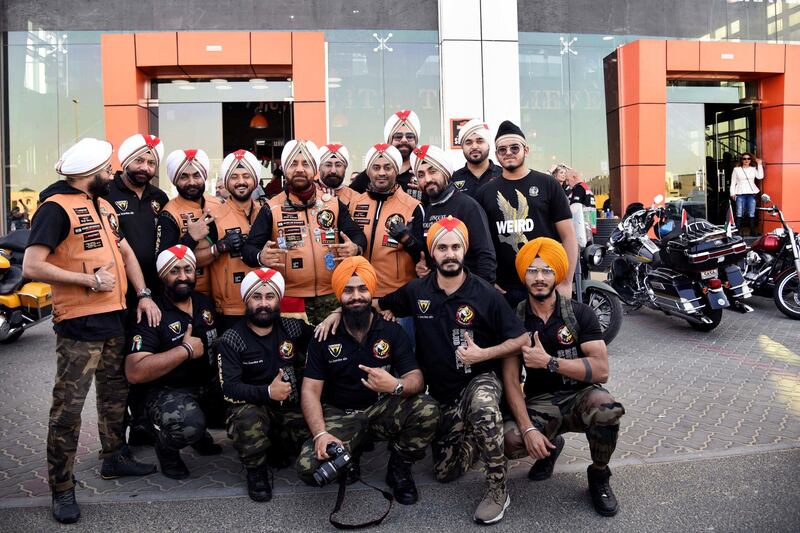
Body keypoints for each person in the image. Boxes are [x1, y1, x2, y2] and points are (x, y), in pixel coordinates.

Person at [22, 138, 160, 524]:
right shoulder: (55, 208)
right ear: (89, 174)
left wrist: (144, 293)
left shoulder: (101, 205)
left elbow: (126, 252)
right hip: (80, 324)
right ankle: (61, 488)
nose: (111, 175)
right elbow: (32, 265)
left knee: (115, 395)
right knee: (68, 410)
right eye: (105, 171)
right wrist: (85, 280)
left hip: (115, 317)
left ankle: (114, 457)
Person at [374, 217, 528, 524]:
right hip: (443, 395)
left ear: (464, 249)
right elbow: (379, 303)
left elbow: (521, 338)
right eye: (442, 247)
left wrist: (485, 353)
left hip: (479, 380)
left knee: (484, 408)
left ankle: (498, 488)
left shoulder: (485, 293)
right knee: (445, 473)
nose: (449, 253)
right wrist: (339, 312)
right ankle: (478, 438)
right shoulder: (417, 290)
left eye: (455, 246)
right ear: (433, 253)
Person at [298, 257, 438, 505]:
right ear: (339, 295)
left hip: (381, 409)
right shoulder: (323, 335)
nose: (356, 296)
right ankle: (352, 454)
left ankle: (399, 469)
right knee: (310, 469)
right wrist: (320, 434)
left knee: (426, 409)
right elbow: (310, 391)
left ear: (371, 291)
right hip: (341, 414)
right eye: (348, 290)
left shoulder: (391, 330)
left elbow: (415, 378)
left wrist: (394, 385)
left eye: (362, 289)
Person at [502, 238, 625, 517]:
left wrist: (550, 362)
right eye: (532, 271)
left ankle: (599, 475)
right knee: (510, 440)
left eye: (547, 270)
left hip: (581, 396)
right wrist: (529, 429)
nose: (540, 278)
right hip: (540, 401)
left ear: (557, 273)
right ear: (524, 275)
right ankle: (550, 445)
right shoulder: (515, 319)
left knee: (607, 409)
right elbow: (510, 381)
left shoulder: (580, 313)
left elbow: (602, 370)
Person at [241, 140, 367, 324]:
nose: (299, 169)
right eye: (293, 163)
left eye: (305, 163)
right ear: (284, 169)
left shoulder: (332, 204)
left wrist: (355, 248)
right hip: (291, 301)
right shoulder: (271, 207)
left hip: (331, 297)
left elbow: (358, 236)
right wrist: (261, 257)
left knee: (334, 350)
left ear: (315, 168)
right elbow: (248, 249)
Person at [125, 245, 223, 480]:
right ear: (162, 275)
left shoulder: (204, 303)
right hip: (165, 392)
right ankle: (166, 448)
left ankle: (199, 434)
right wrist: (185, 351)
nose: (182, 277)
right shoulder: (151, 312)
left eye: (188, 270)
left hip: (204, 386)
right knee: (187, 423)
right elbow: (134, 372)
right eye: (174, 271)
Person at [217, 267, 314, 502]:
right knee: (246, 419)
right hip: (254, 408)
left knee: (318, 421)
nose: (263, 304)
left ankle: (277, 447)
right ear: (246, 300)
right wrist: (268, 391)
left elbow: (324, 336)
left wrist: (335, 316)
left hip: (288, 409)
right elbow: (229, 388)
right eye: (256, 297)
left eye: (269, 297)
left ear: (277, 300)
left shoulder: (292, 328)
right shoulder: (231, 339)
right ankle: (256, 471)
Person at [104, 133, 170, 447]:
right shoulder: (104, 192)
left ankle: (143, 425)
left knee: (145, 359)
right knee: (115, 371)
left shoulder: (160, 197)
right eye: (139, 160)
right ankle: (115, 442)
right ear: (125, 161)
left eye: (150, 161)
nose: (144, 166)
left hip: (152, 296)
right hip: (115, 297)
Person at [475, 120, 578, 307]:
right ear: (496, 155)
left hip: (546, 284)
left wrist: (565, 282)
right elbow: (478, 242)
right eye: (502, 149)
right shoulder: (485, 193)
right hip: (503, 289)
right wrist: (488, 281)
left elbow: (569, 237)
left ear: (526, 150)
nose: (508, 153)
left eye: (514, 148)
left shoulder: (548, 184)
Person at [411, 144, 497, 285]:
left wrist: (482, 293)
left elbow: (486, 255)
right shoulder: (426, 209)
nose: (427, 179)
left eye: (432, 171)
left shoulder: (467, 206)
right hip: (439, 291)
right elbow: (429, 256)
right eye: (421, 175)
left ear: (445, 172)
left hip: (468, 291)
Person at [349, 143, 425, 297]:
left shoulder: (413, 206)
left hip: (398, 296)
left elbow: (424, 257)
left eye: (387, 167)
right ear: (368, 172)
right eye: (376, 167)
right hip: (360, 294)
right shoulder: (354, 204)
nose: (381, 173)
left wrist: (408, 240)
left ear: (396, 170)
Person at [207, 150, 262, 332]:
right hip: (229, 310)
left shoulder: (267, 212)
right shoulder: (213, 216)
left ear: (255, 180)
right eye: (234, 177)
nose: (240, 182)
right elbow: (196, 259)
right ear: (226, 181)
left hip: (264, 303)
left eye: (246, 176)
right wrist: (219, 247)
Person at [156, 149, 223, 295]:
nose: (191, 182)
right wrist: (190, 238)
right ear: (175, 180)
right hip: (191, 295)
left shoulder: (217, 204)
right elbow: (163, 264)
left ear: (204, 177)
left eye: (196, 175)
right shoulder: (169, 213)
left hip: (223, 293)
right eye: (184, 177)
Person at [349, 110, 422, 199]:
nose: (404, 140)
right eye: (398, 136)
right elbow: (348, 197)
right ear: (389, 141)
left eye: (409, 136)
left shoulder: (423, 171)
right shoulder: (373, 172)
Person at [450, 119, 502, 198]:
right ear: (462, 147)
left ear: (488, 144)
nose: (474, 146)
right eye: (468, 142)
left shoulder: (503, 174)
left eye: (480, 141)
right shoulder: (453, 179)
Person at [729, 152, 765, 235]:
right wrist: (732, 193)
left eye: (748, 158)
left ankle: (752, 232)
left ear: (750, 160)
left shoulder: (753, 169)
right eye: (744, 158)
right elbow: (733, 182)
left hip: (751, 193)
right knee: (739, 213)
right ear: (741, 160)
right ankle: (737, 232)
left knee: (751, 213)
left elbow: (760, 176)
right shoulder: (736, 169)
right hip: (740, 193)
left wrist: (759, 165)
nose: (746, 160)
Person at [317, 143, 358, 208]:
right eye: (328, 165)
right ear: (319, 167)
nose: (333, 171)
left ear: (345, 168)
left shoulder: (356, 198)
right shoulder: (310, 194)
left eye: (338, 165)